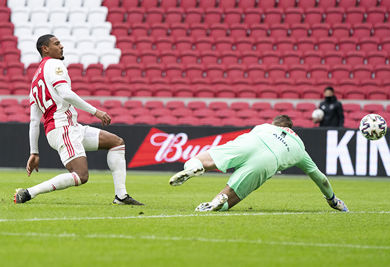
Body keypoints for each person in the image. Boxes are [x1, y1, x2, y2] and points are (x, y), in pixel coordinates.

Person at [14, 34, 143, 205]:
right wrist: (95, 112)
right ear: (45, 49)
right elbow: (66, 94)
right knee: (81, 175)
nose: (61, 46)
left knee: (116, 142)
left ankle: (121, 196)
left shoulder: (35, 80)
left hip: (67, 127)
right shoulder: (54, 64)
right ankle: (29, 193)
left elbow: (34, 121)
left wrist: (34, 152)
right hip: (63, 127)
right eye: (56, 43)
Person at [169, 115, 348, 212]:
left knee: (204, 159)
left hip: (251, 141)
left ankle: (195, 167)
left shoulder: (264, 126)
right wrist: (332, 199)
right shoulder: (300, 148)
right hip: (270, 161)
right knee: (233, 193)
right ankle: (219, 201)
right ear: (290, 129)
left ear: (275, 124)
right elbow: (320, 178)